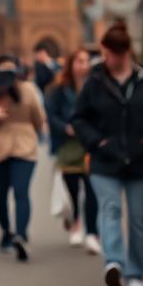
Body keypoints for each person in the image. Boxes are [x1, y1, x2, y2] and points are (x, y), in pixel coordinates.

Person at [72, 20, 143, 286]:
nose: (103, 59)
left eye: (108, 54)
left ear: (123, 53)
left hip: (139, 161)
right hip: (105, 160)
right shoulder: (94, 82)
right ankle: (114, 262)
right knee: (110, 208)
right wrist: (97, 142)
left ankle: (136, 272)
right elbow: (79, 118)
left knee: (138, 218)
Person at [0, 54, 46, 261]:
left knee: (22, 191)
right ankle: (6, 232)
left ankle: (20, 235)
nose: (7, 75)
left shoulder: (28, 89)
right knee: (1, 193)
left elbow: (39, 119)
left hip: (24, 148)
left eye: (11, 70)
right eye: (3, 70)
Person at [45, 47, 101, 253]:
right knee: (73, 190)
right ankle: (76, 223)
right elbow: (51, 115)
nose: (83, 65)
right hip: (68, 145)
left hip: (89, 144)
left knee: (93, 189)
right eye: (79, 61)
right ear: (71, 64)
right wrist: (65, 127)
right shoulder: (59, 89)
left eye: (86, 61)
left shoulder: (97, 87)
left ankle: (92, 232)